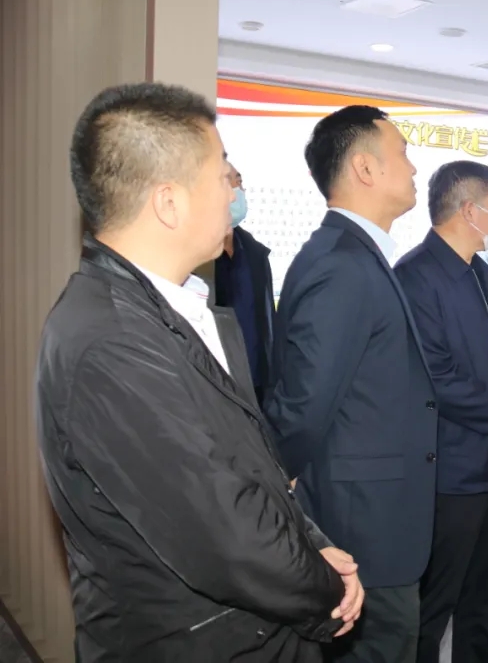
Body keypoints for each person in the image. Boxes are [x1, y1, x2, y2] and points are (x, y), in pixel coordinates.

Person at [36, 83, 361, 662]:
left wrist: (311, 545)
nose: (233, 190)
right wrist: (327, 593)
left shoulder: (175, 307)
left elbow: (251, 467)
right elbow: (225, 536)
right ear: (169, 202)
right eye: (222, 175)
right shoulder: (112, 344)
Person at [264, 105, 438, 663]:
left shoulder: (359, 254)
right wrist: (280, 481)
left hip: (377, 508)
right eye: (403, 154)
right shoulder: (341, 263)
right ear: (365, 168)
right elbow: (303, 403)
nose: (413, 168)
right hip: (361, 519)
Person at [393, 161, 488, 663]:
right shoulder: (415, 276)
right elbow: (436, 376)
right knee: (433, 603)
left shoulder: (482, 272)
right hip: (450, 472)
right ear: (469, 210)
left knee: (487, 595)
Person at [213, 162, 275, 404]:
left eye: (240, 182)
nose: (239, 191)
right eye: (232, 182)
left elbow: (267, 325)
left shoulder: (255, 254)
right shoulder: (194, 258)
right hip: (216, 390)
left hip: (258, 389)